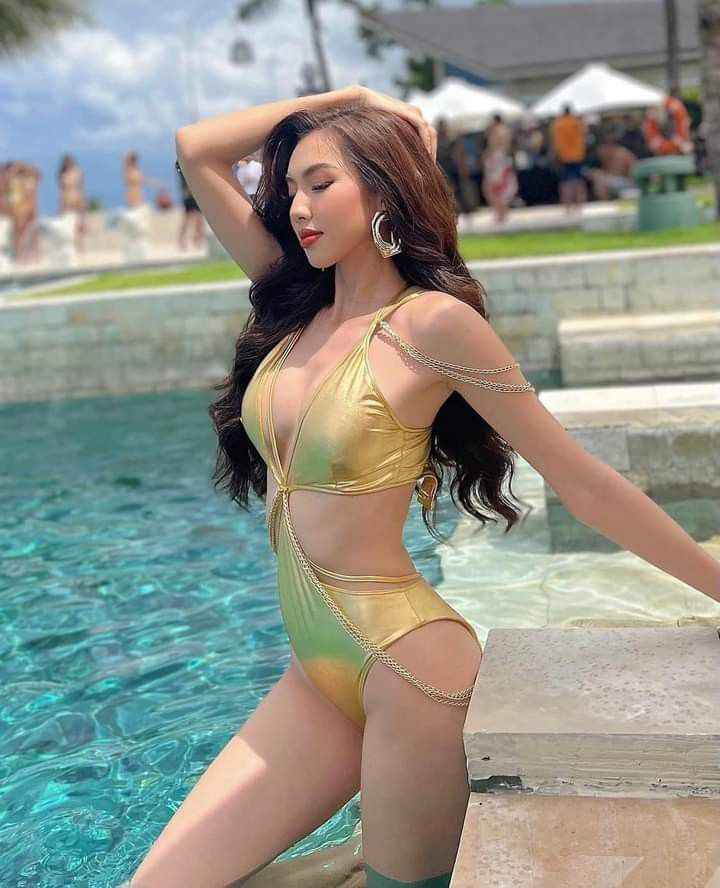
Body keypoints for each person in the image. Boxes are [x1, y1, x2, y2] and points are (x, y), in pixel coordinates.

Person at [123, 84, 720, 888]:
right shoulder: (293, 302)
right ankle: (347, 855)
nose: (297, 207)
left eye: (321, 183)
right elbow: (197, 149)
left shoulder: (433, 326)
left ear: (384, 189)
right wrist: (350, 98)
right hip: (315, 674)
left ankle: (366, 857)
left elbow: (584, 484)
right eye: (290, 187)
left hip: (408, 672)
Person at [550, 103, 588, 214]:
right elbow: (584, 137)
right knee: (578, 181)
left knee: (565, 183)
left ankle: (567, 207)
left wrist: (556, 156)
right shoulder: (577, 123)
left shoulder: (558, 124)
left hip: (564, 157)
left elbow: (556, 142)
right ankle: (579, 205)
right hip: (578, 156)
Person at [481, 113, 518, 224]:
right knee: (503, 188)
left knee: (493, 188)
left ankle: (499, 213)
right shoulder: (507, 130)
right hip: (504, 159)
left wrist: (486, 156)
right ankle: (502, 213)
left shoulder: (496, 131)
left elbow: (492, 146)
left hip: (496, 159)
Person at [586, 128, 638, 201]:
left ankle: (605, 202)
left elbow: (635, 174)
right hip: (616, 183)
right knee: (597, 177)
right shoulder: (606, 156)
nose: (600, 151)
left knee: (600, 179)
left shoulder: (622, 154)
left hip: (629, 185)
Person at [57, 154, 89, 254]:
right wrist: (60, 205)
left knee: (79, 226)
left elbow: (81, 187)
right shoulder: (62, 174)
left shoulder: (78, 172)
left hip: (77, 198)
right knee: (67, 227)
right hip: (66, 200)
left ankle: (80, 249)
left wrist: (83, 202)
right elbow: (61, 190)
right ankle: (71, 249)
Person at [175, 160, 205, 250]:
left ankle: (196, 241)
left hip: (193, 193)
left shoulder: (184, 163)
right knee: (191, 219)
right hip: (190, 194)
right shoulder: (183, 164)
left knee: (196, 219)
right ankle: (186, 241)